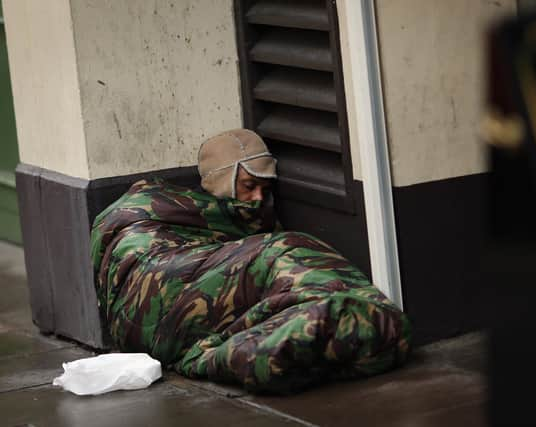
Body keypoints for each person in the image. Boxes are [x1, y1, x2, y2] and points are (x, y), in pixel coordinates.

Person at [90, 129, 411, 394]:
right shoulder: (162, 209)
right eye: (248, 186)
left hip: (145, 330)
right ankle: (350, 321)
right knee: (286, 250)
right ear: (221, 182)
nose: (258, 198)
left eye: (265, 188)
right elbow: (128, 244)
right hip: (152, 300)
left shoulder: (223, 222)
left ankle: (291, 341)